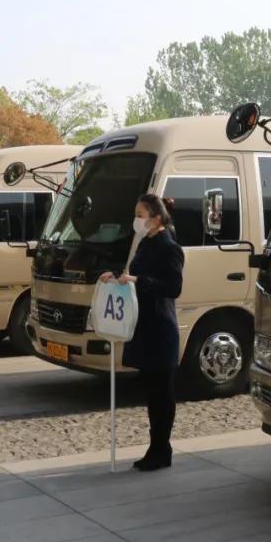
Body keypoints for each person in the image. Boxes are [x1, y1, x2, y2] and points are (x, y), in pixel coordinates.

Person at [100, 194, 184, 471]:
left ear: (156, 218)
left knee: (162, 393)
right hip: (144, 324)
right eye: (135, 214)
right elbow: (133, 276)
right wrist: (114, 278)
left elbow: (173, 287)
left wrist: (138, 280)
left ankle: (162, 449)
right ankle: (156, 448)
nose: (136, 220)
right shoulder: (145, 243)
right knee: (151, 392)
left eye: (140, 215)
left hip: (160, 327)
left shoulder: (169, 246)